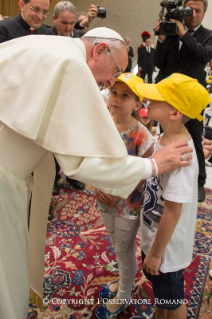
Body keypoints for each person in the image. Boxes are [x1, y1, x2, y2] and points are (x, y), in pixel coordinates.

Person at [0, 28, 193, 319]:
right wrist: (153, 165)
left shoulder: (46, 45)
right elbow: (79, 159)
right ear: (99, 50)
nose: (109, 82)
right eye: (115, 70)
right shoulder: (71, 66)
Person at [135, 73, 211, 319]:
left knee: (172, 302)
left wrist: (156, 254)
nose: (148, 99)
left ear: (175, 113)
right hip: (156, 239)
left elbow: (172, 211)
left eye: (157, 98)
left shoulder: (181, 157)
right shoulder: (164, 137)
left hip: (166, 250)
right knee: (163, 300)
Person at [95, 73, 154, 319]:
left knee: (124, 250)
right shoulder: (102, 124)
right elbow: (93, 160)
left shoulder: (142, 135)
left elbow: (146, 172)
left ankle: (124, 296)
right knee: (116, 245)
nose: (117, 99)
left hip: (127, 205)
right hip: (104, 199)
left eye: (125, 95)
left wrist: (118, 192)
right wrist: (97, 186)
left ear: (138, 105)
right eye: (115, 93)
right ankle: (124, 283)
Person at [154, 0, 212, 202]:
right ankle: (162, 171)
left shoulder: (208, 35)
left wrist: (183, 34)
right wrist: (162, 39)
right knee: (165, 134)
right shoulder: (170, 31)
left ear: (204, 13)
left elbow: (204, 55)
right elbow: (159, 62)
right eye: (190, 10)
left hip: (191, 98)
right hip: (168, 96)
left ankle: (198, 183)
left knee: (195, 138)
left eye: (198, 10)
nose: (193, 14)